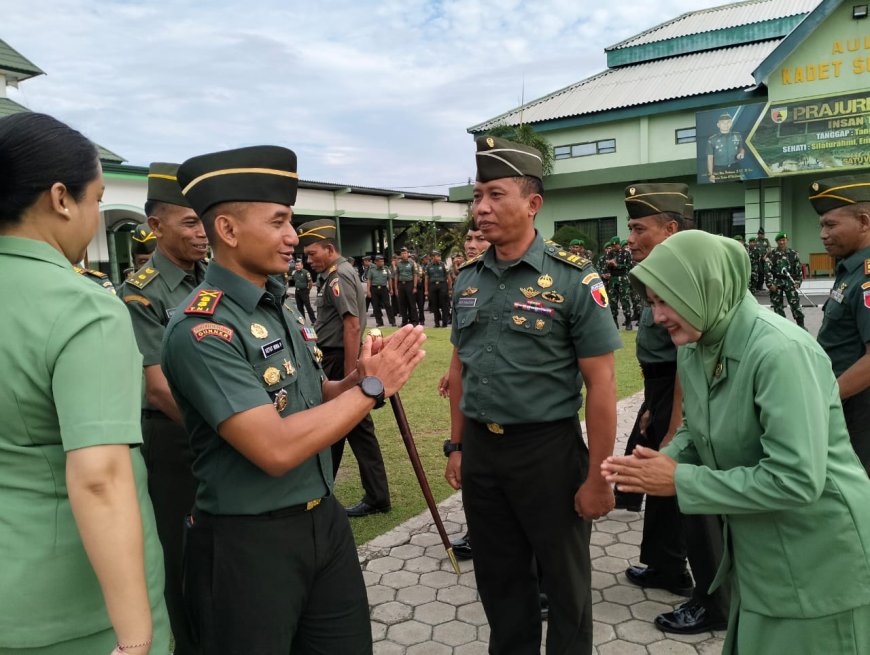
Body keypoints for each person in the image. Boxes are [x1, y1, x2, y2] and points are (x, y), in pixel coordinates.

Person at [161, 145, 425, 653]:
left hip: (322, 523)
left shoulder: (277, 302)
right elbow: (275, 448)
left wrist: (359, 378)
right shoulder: (203, 328)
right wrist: (372, 390)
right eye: (279, 221)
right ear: (229, 231)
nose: (292, 237)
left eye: (292, 222)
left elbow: (310, 397)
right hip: (249, 544)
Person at [602, 230, 870, 655]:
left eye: (665, 301)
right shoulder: (699, 340)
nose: (655, 318)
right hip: (760, 554)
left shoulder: (780, 352)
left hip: (818, 562)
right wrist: (661, 462)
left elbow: (797, 479)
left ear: (704, 288)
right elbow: (698, 425)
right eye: (651, 303)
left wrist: (681, 481)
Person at [444, 136, 621, 654]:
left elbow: (603, 386)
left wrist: (598, 478)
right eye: (477, 196)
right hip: (483, 453)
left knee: (566, 587)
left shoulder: (573, 279)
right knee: (500, 582)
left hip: (548, 452)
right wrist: (457, 446)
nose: (481, 209)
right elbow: (460, 366)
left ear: (532, 203)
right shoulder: (468, 279)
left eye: (496, 195)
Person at [0, 112, 168, 655]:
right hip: (71, 612)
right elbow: (100, 479)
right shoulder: (82, 309)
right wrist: (136, 639)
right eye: (96, 198)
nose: (96, 215)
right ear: (60, 198)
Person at [619, 185, 730, 635]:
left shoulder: (688, 275)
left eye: (639, 228)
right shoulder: (659, 271)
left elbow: (690, 356)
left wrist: (677, 421)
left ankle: (714, 600)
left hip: (684, 392)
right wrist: (653, 406)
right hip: (662, 389)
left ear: (670, 229)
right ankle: (665, 566)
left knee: (689, 493)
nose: (631, 237)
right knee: (654, 477)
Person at [118, 162, 208, 655]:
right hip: (176, 440)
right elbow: (158, 390)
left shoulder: (212, 277)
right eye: (190, 222)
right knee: (183, 558)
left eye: (204, 221)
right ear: (156, 226)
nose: (203, 233)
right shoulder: (142, 291)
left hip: (220, 430)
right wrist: (233, 432)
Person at [298, 219, 392, 517]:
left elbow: (351, 325)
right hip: (335, 356)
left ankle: (369, 496)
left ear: (329, 248)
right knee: (341, 426)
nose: (308, 260)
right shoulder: (336, 273)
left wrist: (353, 372)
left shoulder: (338, 276)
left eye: (313, 254)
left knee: (349, 425)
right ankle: (334, 490)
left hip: (340, 358)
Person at [811, 175, 870, 474]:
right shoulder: (851, 269)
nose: (822, 233)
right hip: (844, 400)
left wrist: (824, 399)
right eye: (822, 225)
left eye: (831, 225)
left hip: (858, 408)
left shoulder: (868, 276)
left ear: (864, 221)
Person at [439, 220, 491, 562]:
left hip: (499, 394)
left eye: (479, 237)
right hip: (473, 393)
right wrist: (452, 368)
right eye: (469, 238)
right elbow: (464, 336)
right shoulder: (467, 278)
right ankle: (478, 533)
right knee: (475, 472)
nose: (471, 244)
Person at [765, 231, 805, 329]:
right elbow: (768, 270)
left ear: (787, 241)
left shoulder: (793, 254)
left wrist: (798, 282)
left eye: (783, 240)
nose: (781, 242)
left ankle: (801, 325)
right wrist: (770, 284)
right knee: (778, 307)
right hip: (776, 283)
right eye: (779, 240)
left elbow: (798, 269)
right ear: (776, 242)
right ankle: (782, 328)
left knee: (795, 304)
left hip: (789, 282)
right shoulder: (772, 254)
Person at [706, 112, 744, 183]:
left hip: (734, 168)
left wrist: (741, 153)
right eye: (723, 122)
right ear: (718, 125)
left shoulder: (737, 135)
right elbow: (710, 158)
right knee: (721, 190)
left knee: (737, 189)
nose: (726, 124)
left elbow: (741, 148)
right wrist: (710, 174)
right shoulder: (712, 139)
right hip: (719, 170)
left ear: (731, 124)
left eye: (728, 122)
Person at [368, 254, 396, 327]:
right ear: (376, 262)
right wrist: (368, 291)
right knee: (376, 306)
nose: (382, 263)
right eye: (380, 261)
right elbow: (369, 281)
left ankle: (392, 321)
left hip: (384, 289)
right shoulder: (372, 270)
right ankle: (379, 322)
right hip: (374, 289)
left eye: (382, 261)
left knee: (387, 305)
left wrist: (391, 289)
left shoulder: (386, 269)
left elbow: (389, 279)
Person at [425, 249, 451, 327]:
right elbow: (426, 278)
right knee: (434, 305)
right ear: (433, 257)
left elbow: (448, 277)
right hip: (432, 286)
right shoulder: (428, 266)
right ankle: (437, 323)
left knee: (444, 305)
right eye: (437, 256)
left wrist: (450, 289)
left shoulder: (443, 265)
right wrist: (426, 290)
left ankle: (444, 322)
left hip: (442, 285)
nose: (439, 257)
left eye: (439, 256)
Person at [395, 247, 418, 326]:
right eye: (402, 253)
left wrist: (415, 286)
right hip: (401, 284)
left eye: (405, 253)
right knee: (402, 304)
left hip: (410, 284)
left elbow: (415, 274)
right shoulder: (399, 263)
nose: (403, 255)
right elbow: (396, 275)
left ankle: (414, 321)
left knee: (412, 304)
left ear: (408, 254)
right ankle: (404, 322)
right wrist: (396, 287)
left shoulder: (412, 262)